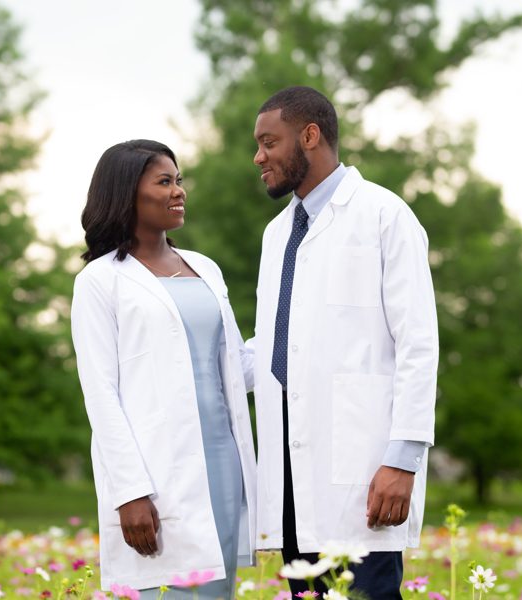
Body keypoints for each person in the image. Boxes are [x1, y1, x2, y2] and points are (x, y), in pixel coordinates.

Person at [250, 86, 439, 599]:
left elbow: (418, 343)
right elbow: (273, 344)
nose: (258, 157)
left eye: (270, 142)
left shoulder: (384, 215)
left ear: (310, 136)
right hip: (292, 472)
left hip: (364, 474)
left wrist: (403, 458)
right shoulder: (276, 234)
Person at [70, 139, 257, 596]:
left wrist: (298, 335)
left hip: (222, 466)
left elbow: (237, 368)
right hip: (153, 475)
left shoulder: (205, 270)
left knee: (215, 591)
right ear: (127, 193)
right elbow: (101, 395)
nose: (179, 191)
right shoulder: (100, 281)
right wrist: (129, 492)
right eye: (165, 181)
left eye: (179, 180)